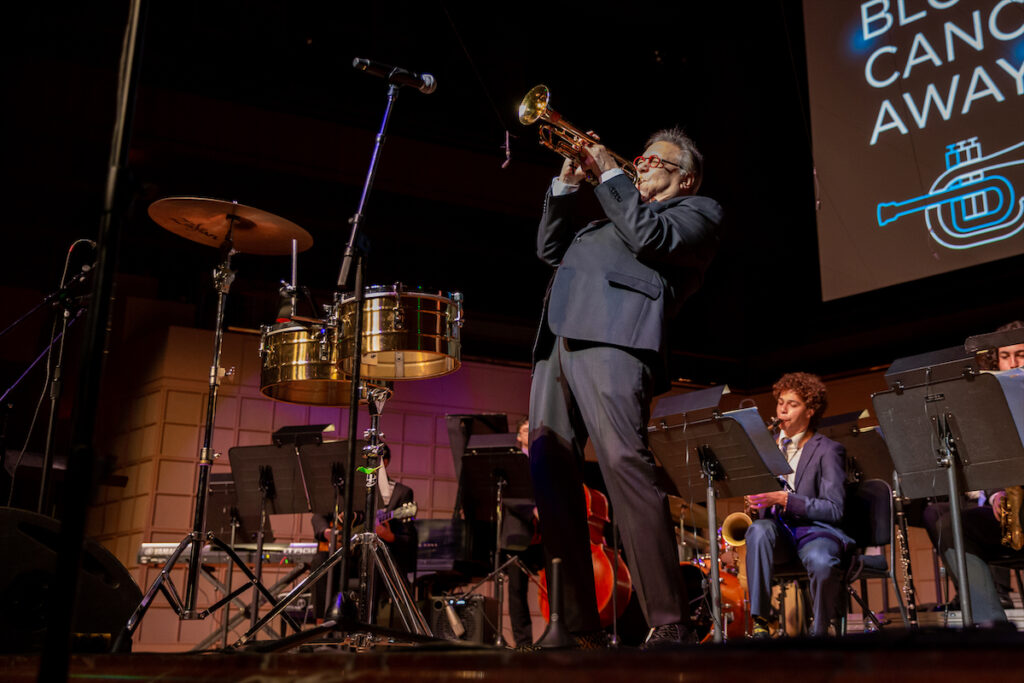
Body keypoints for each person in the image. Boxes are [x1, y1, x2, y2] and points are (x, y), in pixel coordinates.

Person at [528, 127, 722, 648]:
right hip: (558, 342)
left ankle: (670, 618)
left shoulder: (697, 213)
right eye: (638, 158)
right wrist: (566, 186)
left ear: (685, 178)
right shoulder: (606, 215)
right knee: (549, 473)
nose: (640, 165)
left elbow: (648, 239)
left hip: (616, 337)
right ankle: (574, 624)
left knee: (623, 467)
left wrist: (610, 173)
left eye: (652, 160)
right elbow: (550, 249)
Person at [923, 319, 1024, 624]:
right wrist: (995, 494)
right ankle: (993, 624)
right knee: (949, 527)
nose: (1011, 364)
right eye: (1005, 357)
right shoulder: (992, 401)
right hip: (1012, 505)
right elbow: (988, 456)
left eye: (1020, 355)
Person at [745, 372, 852, 638]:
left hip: (815, 531)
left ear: (810, 411)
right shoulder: (767, 448)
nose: (782, 409)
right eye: (781, 402)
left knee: (820, 560)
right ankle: (760, 622)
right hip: (780, 536)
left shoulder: (828, 450)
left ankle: (821, 632)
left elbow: (834, 509)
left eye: (792, 404)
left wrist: (784, 499)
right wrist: (755, 503)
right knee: (757, 530)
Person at [310, 444, 416, 622]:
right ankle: (322, 624)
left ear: (385, 462)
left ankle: (366, 624)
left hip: (374, 556)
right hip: (344, 554)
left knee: (370, 560)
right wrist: (328, 532)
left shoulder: (400, 493)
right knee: (320, 560)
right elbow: (318, 516)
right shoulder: (344, 490)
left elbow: (407, 539)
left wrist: (386, 534)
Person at [502, 417, 541, 646]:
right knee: (517, 592)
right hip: (518, 531)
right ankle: (524, 643)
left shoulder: (543, 461)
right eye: (525, 431)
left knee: (555, 583)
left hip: (543, 534)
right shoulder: (512, 461)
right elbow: (508, 497)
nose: (529, 434)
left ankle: (559, 632)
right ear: (518, 436)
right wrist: (533, 510)